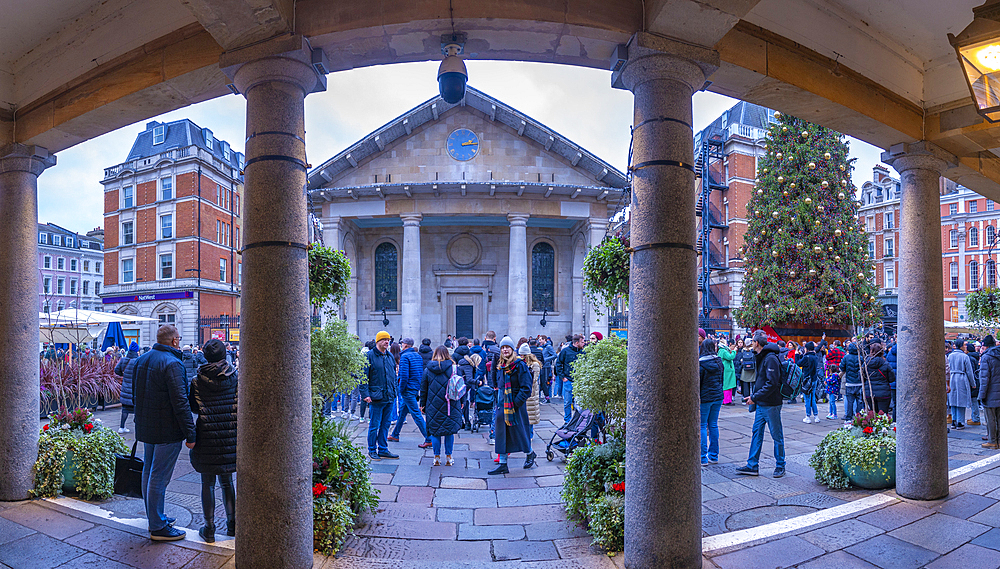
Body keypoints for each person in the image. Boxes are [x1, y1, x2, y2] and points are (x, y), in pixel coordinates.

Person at [133, 325, 196, 541]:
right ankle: (158, 525)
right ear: (174, 341)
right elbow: (181, 401)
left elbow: (135, 394)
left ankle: (154, 516)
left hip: (146, 425)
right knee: (159, 476)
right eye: (178, 338)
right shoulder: (173, 363)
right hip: (166, 429)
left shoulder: (142, 359)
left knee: (148, 471)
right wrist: (191, 433)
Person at [188, 339, 237, 543]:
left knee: (207, 482)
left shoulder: (197, 380)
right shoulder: (235, 377)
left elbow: (193, 407)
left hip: (207, 434)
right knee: (227, 481)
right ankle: (232, 525)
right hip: (229, 431)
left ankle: (209, 529)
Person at [736, 331, 785, 478]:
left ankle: (780, 465)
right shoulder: (763, 356)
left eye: (752, 341)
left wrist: (754, 397)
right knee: (756, 433)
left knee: (776, 435)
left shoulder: (770, 358)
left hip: (771, 404)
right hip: (762, 404)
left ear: (757, 343)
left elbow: (771, 383)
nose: (750, 343)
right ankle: (752, 465)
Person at [489, 336, 535, 474]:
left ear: (512, 349)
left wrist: (515, 403)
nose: (505, 350)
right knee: (501, 433)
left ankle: (530, 452)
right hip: (502, 404)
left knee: (519, 432)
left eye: (507, 347)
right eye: (503, 348)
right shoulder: (501, 365)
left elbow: (526, 388)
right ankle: (503, 464)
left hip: (515, 405)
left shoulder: (520, 365)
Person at [419, 346, 463, 466]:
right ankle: (449, 457)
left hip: (433, 405)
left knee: (435, 431)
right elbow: (461, 386)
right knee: (449, 431)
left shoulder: (428, 370)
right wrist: (462, 401)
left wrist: (422, 404)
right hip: (451, 404)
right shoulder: (455, 368)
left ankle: (436, 457)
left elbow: (423, 389)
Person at [361, 331, 400, 460]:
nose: (386, 342)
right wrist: (365, 394)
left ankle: (383, 449)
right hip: (376, 397)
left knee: (386, 425)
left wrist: (394, 391)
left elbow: (393, 376)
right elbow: (363, 376)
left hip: (389, 397)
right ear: (378, 341)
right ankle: (372, 449)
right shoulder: (369, 356)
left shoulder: (389, 356)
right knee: (374, 425)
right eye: (384, 340)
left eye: (388, 340)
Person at [388, 338, 432, 448]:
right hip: (415, 387)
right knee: (402, 412)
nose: (401, 345)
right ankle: (395, 434)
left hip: (407, 388)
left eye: (402, 343)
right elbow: (420, 372)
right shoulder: (418, 355)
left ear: (405, 345)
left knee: (416, 414)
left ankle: (428, 438)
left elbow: (404, 376)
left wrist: (400, 388)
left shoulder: (405, 357)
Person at [699, 338, 723, 465]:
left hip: (705, 398)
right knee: (713, 424)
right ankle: (714, 455)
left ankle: (703, 457)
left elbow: (699, 383)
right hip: (718, 397)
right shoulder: (719, 362)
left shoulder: (701, 364)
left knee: (702, 425)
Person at [555, 334, 585, 424]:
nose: (584, 344)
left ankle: (577, 421)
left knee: (579, 404)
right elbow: (559, 363)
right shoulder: (565, 351)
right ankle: (567, 421)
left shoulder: (583, 352)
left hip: (579, 381)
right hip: (568, 380)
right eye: (582, 342)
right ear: (577, 342)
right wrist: (562, 377)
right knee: (567, 402)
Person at [948, 340, 977, 430]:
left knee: (953, 401)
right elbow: (969, 371)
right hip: (961, 379)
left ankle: (954, 421)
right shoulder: (964, 356)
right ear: (961, 346)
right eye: (964, 345)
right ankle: (960, 422)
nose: (966, 346)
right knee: (961, 401)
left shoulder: (950, 356)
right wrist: (973, 383)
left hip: (952, 378)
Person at [114, 341, 140, 433]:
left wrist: (123, 375)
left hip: (125, 388)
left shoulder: (124, 359)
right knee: (137, 409)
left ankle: (121, 427)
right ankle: (138, 429)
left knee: (125, 409)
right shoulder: (138, 361)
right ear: (137, 351)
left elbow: (116, 370)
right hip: (136, 388)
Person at [979, 335, 1000, 449]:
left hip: (991, 392)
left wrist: (982, 395)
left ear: (985, 346)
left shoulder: (986, 357)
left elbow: (984, 379)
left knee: (990, 418)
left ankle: (992, 441)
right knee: (999, 417)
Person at [860, 342, 893, 414]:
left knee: (873, 414)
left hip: (869, 391)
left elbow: (861, 377)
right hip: (883, 392)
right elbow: (892, 378)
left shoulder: (866, 363)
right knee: (883, 416)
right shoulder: (885, 363)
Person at [519, 343, 542, 441]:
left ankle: (530, 435)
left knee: (530, 416)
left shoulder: (534, 364)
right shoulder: (522, 363)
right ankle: (525, 435)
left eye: (522, 355)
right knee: (525, 415)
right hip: (524, 392)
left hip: (531, 393)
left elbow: (533, 380)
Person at [798, 342, 821, 423]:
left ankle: (808, 416)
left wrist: (798, 355)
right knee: (813, 399)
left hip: (807, 380)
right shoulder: (815, 357)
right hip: (814, 379)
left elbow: (798, 363)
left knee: (807, 399)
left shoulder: (807, 357)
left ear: (807, 349)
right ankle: (816, 416)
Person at [840, 342, 863, 423]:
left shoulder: (846, 357)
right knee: (859, 402)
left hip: (849, 383)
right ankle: (859, 418)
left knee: (850, 402)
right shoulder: (860, 358)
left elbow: (842, 368)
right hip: (859, 383)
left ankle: (848, 419)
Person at [718, 338, 737, 405]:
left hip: (726, 369)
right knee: (727, 386)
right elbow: (730, 357)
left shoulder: (721, 350)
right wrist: (734, 351)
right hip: (727, 370)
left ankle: (726, 400)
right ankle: (727, 400)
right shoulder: (724, 351)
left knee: (727, 385)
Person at [738, 339, 756, 404]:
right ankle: (754, 398)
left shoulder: (743, 350)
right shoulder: (753, 350)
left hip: (745, 370)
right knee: (754, 384)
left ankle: (746, 399)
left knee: (745, 385)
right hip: (753, 369)